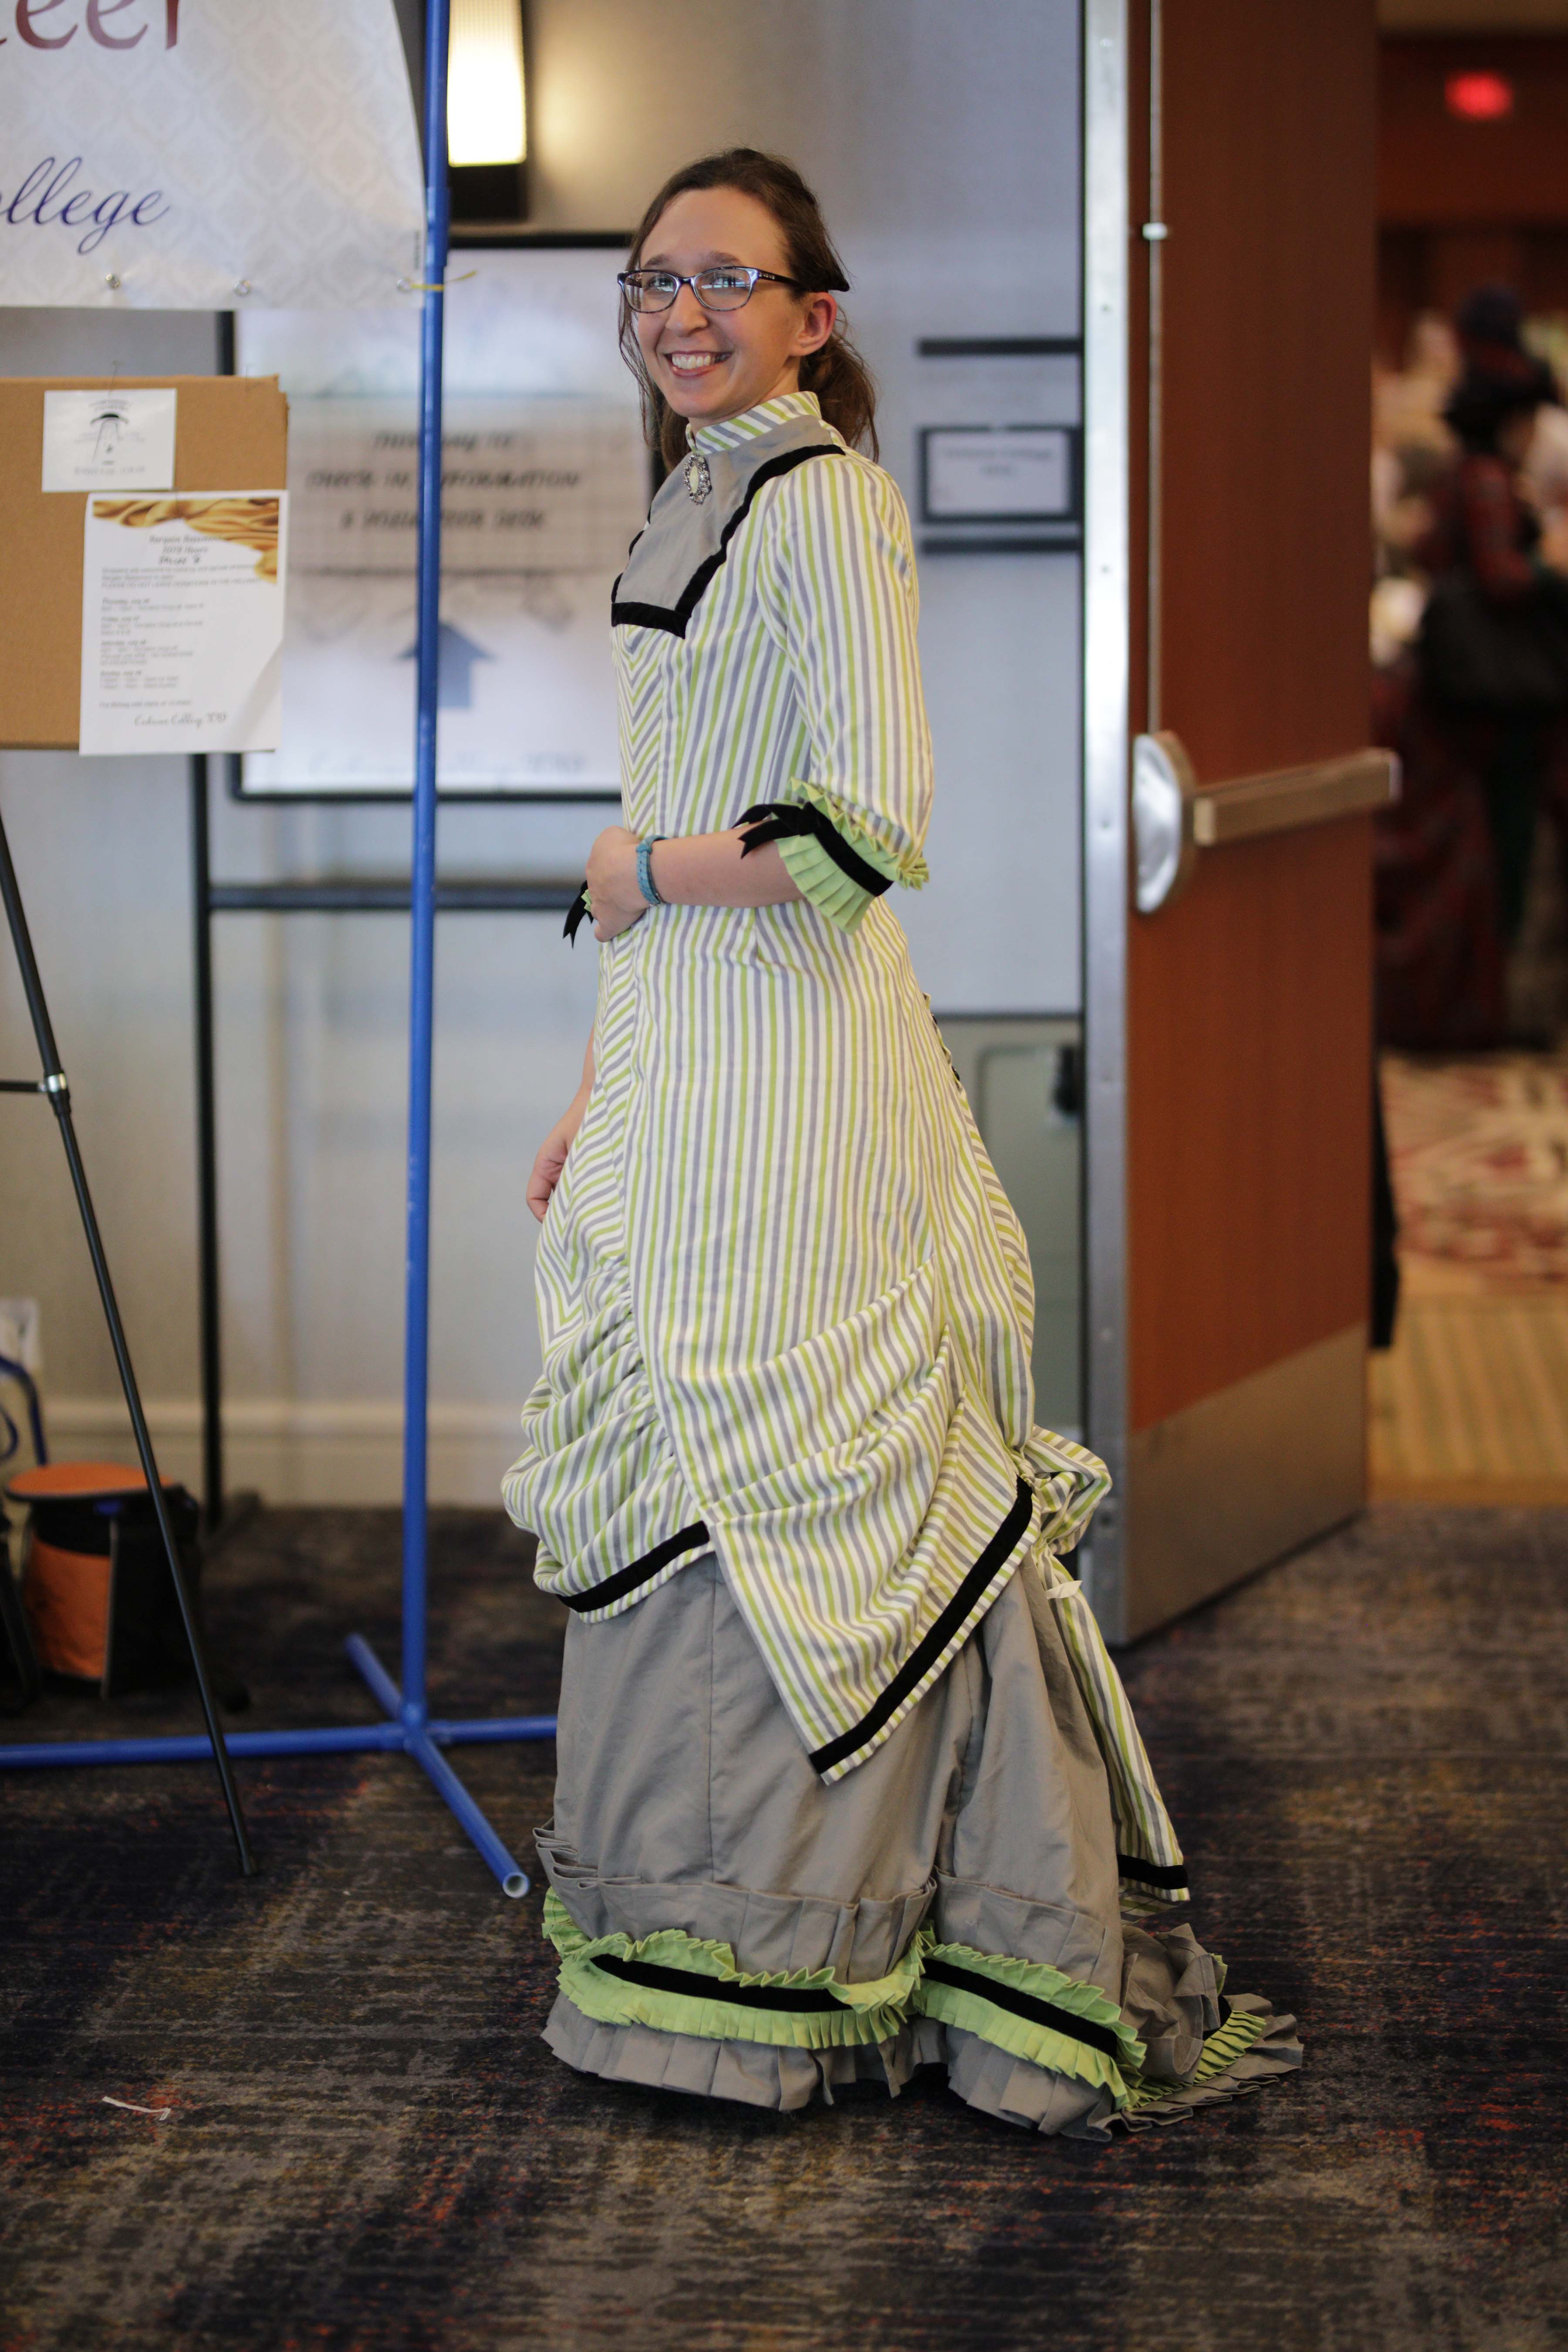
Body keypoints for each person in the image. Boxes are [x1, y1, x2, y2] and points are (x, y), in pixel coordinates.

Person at [503, 149, 1299, 2139]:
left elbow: (862, 827)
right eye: (653, 279)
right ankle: (717, 1949)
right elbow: (704, 805)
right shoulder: (702, 489)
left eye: (726, 280)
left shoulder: (830, 499)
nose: (681, 311)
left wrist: (625, 872)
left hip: (794, 1086)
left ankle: (865, 1948)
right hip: (689, 1069)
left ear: (812, 317)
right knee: (694, 1446)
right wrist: (606, 1088)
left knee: (809, 1466)